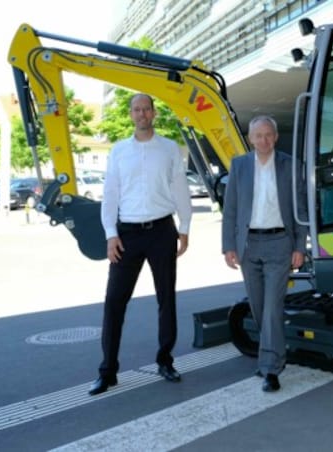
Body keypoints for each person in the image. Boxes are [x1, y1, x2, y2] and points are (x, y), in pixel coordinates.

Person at [88, 93, 192, 395]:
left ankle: (165, 361)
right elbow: (111, 194)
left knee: (166, 299)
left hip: (162, 231)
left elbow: (180, 188)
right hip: (127, 234)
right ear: (131, 114)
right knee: (114, 302)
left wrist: (184, 227)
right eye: (137, 109)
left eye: (146, 109)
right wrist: (110, 233)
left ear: (154, 113)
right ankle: (107, 371)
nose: (142, 113)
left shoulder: (170, 149)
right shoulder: (119, 151)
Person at [222, 115, 308, 393]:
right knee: (259, 307)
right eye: (258, 135)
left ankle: (270, 368)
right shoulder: (239, 165)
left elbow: (300, 211)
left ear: (275, 136)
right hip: (249, 245)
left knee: (272, 307)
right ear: (250, 138)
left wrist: (299, 246)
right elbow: (231, 209)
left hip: (280, 243)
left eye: (269, 134)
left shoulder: (291, 166)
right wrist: (228, 246)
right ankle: (273, 354)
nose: (264, 140)